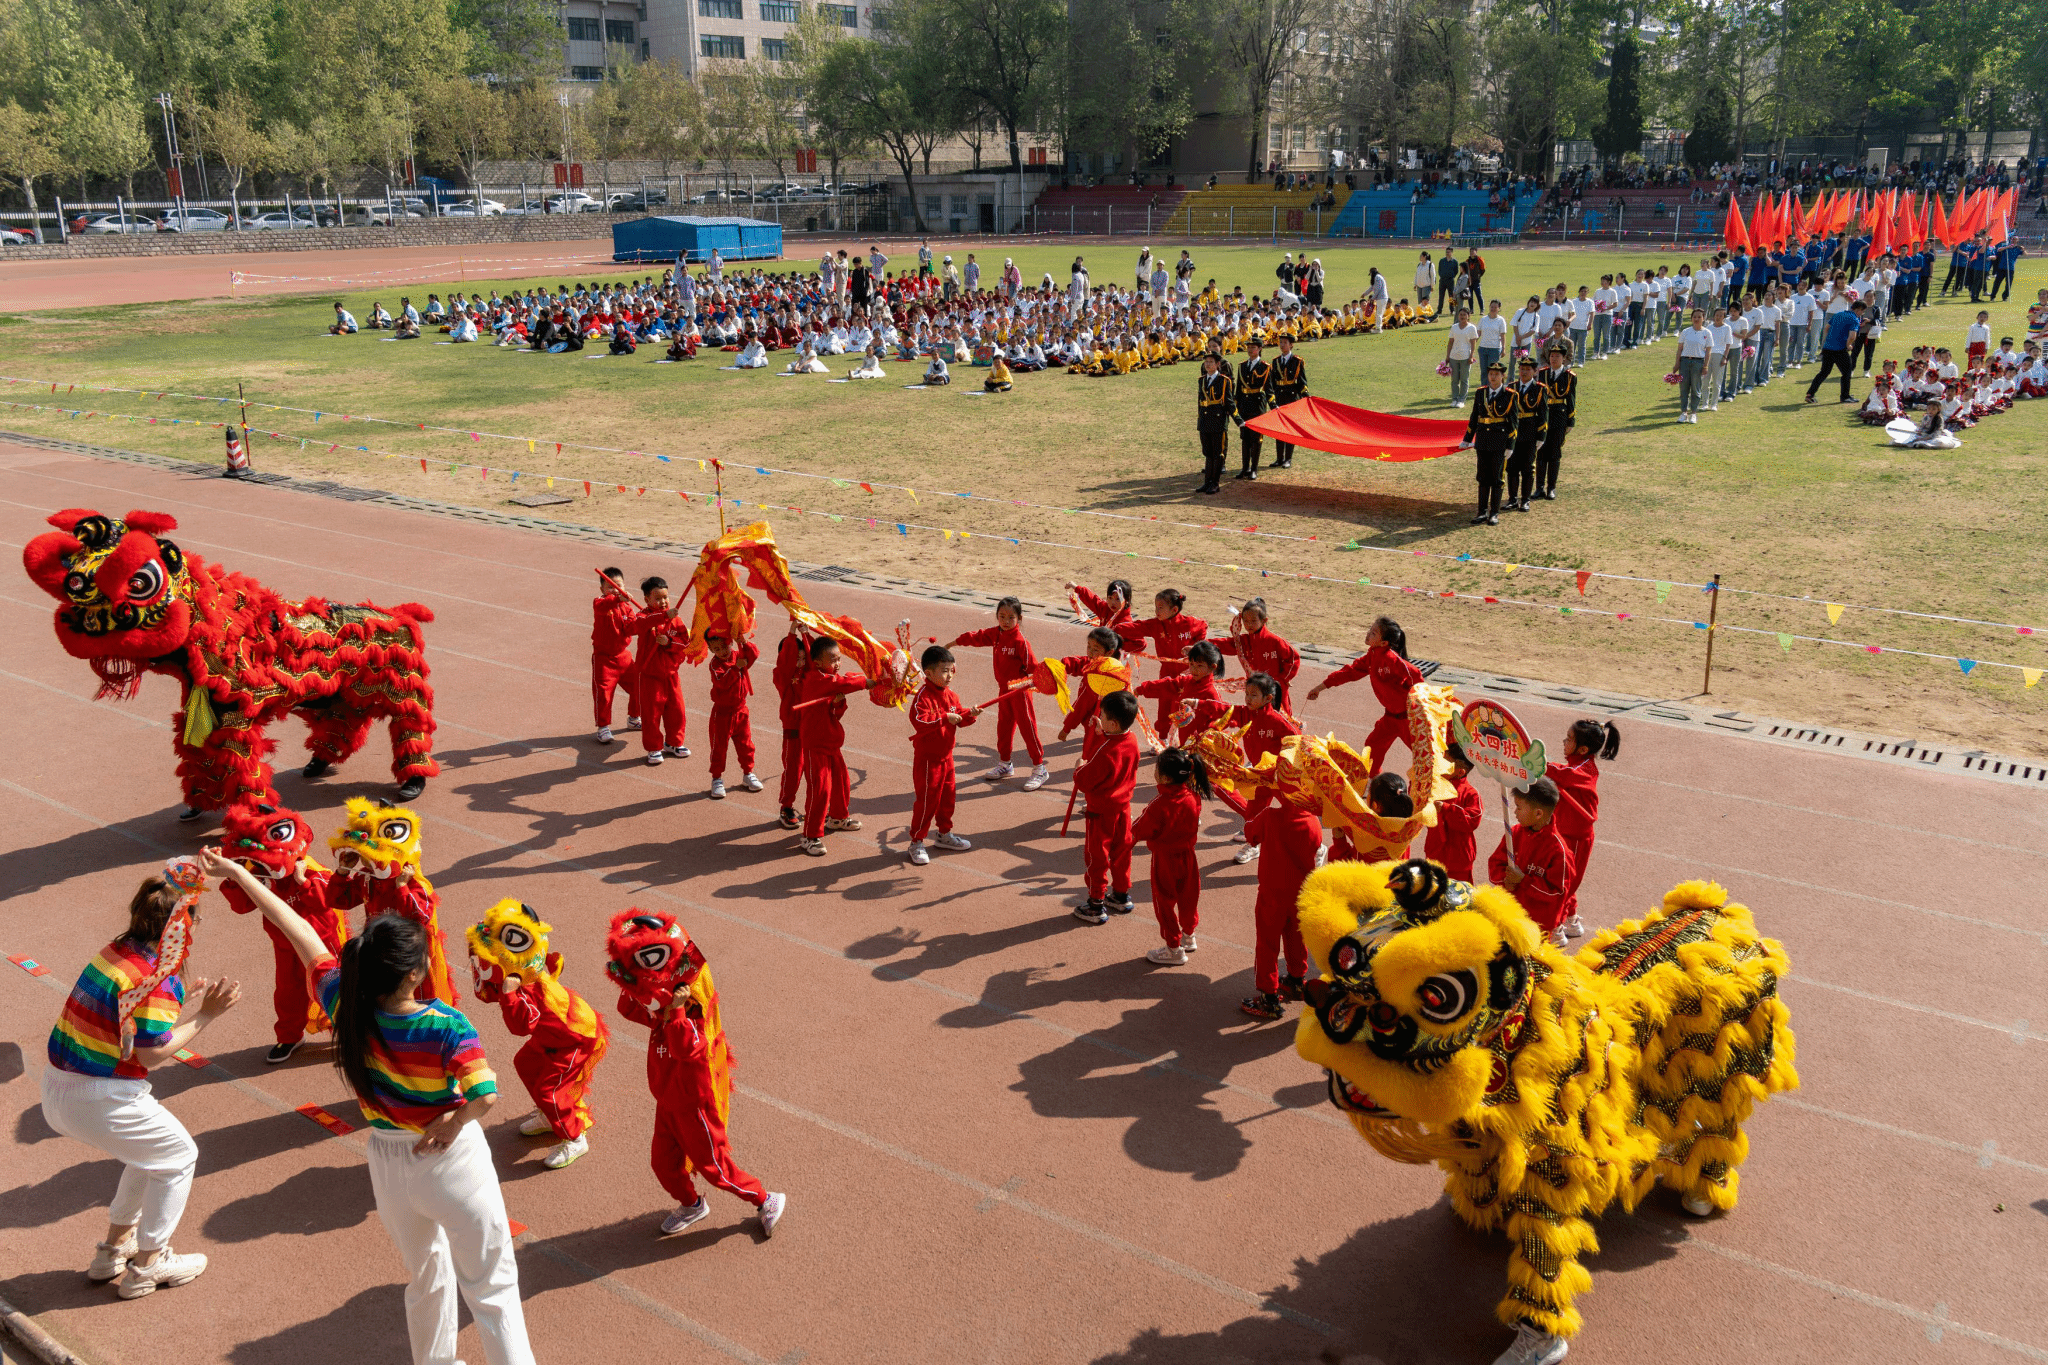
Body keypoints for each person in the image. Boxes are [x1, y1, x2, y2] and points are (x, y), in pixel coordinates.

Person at [205, 851, 536, 1365]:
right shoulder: (446, 1024)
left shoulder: (345, 1002)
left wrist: (241, 874)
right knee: (492, 1284)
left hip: (387, 1160)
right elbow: (485, 1095)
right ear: (414, 974)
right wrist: (453, 1120)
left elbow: (300, 934)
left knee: (425, 1275)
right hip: (451, 1161)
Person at [43, 860, 233, 1300]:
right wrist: (206, 1016)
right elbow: (153, 1054)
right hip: (100, 1095)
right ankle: (149, 1264)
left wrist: (181, 1007)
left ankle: (112, 1251)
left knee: (152, 1154)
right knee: (181, 1156)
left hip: (61, 1086)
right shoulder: (157, 979)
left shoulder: (116, 952)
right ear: (183, 926)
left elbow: (133, 1026)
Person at [604, 909, 786, 1240]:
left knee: (715, 1168)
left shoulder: (692, 1011)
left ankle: (765, 1198)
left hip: (695, 1103)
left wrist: (674, 1011)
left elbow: (688, 1049)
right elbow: (628, 1009)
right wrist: (634, 982)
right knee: (663, 1165)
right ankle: (692, 1204)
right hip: (668, 1099)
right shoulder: (663, 1008)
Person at [467, 900, 609, 1171]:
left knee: (550, 1091)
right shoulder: (523, 975)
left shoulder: (527, 985)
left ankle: (575, 1137)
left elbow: (521, 1025)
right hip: (552, 1038)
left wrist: (509, 993)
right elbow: (488, 995)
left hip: (576, 1040)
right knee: (525, 1062)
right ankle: (550, 1116)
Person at [218, 806, 347, 1063]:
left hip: (322, 946)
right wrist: (235, 879)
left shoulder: (312, 870)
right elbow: (242, 906)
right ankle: (289, 1036)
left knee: (335, 989)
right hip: (285, 946)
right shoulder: (261, 875)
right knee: (288, 993)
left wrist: (304, 883)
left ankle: (349, 1034)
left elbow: (330, 900)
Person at [949, 597, 1051, 791]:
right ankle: (1005, 764)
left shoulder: (1021, 642)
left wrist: (1046, 678)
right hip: (1004, 692)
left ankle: (1039, 768)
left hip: (1020, 692)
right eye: (1002, 616)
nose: (1005, 621)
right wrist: (954, 643)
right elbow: (977, 636)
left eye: (1011, 617)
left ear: (1019, 619)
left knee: (1027, 729)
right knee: (1003, 729)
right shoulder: (995, 634)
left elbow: (1034, 669)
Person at [1238, 791, 1321, 1022]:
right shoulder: (1313, 820)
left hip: (1272, 894)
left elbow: (1250, 834)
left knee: (1267, 944)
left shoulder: (1270, 817)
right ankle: (1296, 979)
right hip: (1300, 893)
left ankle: (1268, 996)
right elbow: (1316, 846)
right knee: (1297, 939)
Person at [1308, 615, 1422, 777]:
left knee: (1423, 755)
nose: (1368, 634)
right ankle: (1372, 782)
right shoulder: (1372, 656)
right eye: (1370, 629)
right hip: (1390, 718)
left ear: (1384, 643)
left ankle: (1443, 787)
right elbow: (1349, 672)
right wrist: (1321, 687)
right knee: (1372, 747)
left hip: (1408, 719)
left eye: (1374, 633)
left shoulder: (1392, 659)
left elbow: (1415, 674)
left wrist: (1420, 703)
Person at [1130, 747, 1210, 965]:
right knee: (1188, 897)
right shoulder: (1193, 797)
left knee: (1164, 903)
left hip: (1164, 860)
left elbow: (1136, 831)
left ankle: (1173, 948)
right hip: (1188, 857)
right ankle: (1188, 935)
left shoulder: (1158, 805)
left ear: (1165, 777)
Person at [1070, 689, 1142, 925]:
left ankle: (1095, 904)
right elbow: (1114, 751)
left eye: (1102, 714)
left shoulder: (1105, 752)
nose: (1098, 716)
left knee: (1096, 857)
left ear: (1112, 722)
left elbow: (1085, 780)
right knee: (1122, 853)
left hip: (1100, 812)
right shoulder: (1131, 741)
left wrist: (1079, 767)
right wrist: (1103, 734)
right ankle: (1121, 894)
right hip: (1123, 809)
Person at [906, 645, 978, 866]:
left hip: (947, 758)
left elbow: (959, 718)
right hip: (929, 760)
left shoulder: (952, 695)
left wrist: (970, 715)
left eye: (951, 670)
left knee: (948, 798)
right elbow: (920, 721)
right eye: (944, 670)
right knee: (927, 801)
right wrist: (945, 718)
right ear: (928, 673)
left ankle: (944, 835)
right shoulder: (922, 697)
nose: (950, 675)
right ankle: (917, 841)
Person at [797, 635, 868, 856]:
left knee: (841, 783)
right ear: (817, 662)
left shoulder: (829, 679)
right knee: (820, 790)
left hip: (832, 742)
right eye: (833, 660)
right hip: (815, 745)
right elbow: (846, 682)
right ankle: (810, 835)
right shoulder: (816, 679)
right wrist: (869, 682)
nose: (837, 664)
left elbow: (837, 713)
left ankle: (837, 817)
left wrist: (838, 704)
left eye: (839, 659)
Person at [1547, 719, 1619, 939]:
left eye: (1569, 738)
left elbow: (1563, 774)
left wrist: (1536, 763)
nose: (1564, 741)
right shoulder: (1575, 765)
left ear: (1583, 748)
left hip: (1577, 839)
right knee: (1562, 876)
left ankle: (1555, 930)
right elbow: (1560, 770)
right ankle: (1571, 920)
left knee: (1564, 882)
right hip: (1565, 832)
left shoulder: (1585, 769)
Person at [1488, 777, 1575, 948]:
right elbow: (1495, 862)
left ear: (1538, 813)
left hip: (1537, 927)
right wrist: (1505, 880)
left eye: (1519, 807)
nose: (1514, 812)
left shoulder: (1559, 851)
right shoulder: (1514, 833)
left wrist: (1523, 881)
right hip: (1509, 914)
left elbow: (1557, 893)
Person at [1118, 588, 1209, 734]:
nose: (1156, 611)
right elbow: (1136, 627)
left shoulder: (1189, 623)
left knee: (1185, 705)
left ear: (1174, 609)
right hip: (1167, 672)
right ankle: (1163, 736)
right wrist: (1115, 628)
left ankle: (1189, 737)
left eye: (1160, 607)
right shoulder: (1155, 625)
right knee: (1165, 704)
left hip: (1188, 673)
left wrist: (1197, 646)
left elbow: (1203, 626)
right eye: (1155, 606)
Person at [632, 577, 690, 766]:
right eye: (657, 598)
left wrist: (669, 643)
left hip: (671, 674)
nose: (663, 602)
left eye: (665, 597)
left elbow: (685, 643)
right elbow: (640, 625)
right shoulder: (642, 616)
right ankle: (654, 747)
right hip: (650, 675)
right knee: (651, 713)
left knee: (677, 711)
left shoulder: (676, 619)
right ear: (647, 599)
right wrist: (664, 617)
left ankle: (674, 743)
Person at [1213, 596, 1300, 714]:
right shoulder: (1243, 642)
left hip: (1275, 690)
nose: (1249, 624)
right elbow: (1225, 644)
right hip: (1254, 692)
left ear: (1264, 620)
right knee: (1256, 718)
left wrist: (1282, 679)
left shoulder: (1275, 641)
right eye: (1246, 621)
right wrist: (1199, 645)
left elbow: (1293, 658)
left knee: (1281, 718)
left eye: (1253, 621)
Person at [705, 631, 762, 800]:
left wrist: (743, 642)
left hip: (741, 711)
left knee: (746, 745)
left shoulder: (738, 654)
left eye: (724, 646)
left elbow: (754, 654)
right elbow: (721, 683)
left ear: (730, 642)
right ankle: (716, 778)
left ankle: (748, 773)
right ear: (710, 649)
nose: (722, 651)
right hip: (722, 714)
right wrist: (736, 667)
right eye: (716, 648)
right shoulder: (715, 665)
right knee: (719, 748)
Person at [1459, 361, 1514, 524]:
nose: (1493, 377)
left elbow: (1513, 422)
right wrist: (1467, 439)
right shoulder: (1481, 393)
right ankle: (1481, 512)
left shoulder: (1510, 395)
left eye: (1496, 374)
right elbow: (1474, 417)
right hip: (1482, 441)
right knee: (1483, 477)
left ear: (1502, 376)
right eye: (1491, 374)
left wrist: (1510, 445)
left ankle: (1494, 513)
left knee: (1497, 478)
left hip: (1499, 442)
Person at [591, 568, 641, 744]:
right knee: (604, 693)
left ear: (624, 586)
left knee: (639, 685)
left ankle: (634, 718)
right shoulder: (600, 602)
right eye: (610, 587)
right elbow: (602, 607)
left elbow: (632, 628)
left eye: (618, 586)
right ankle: (603, 727)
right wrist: (617, 598)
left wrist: (647, 622)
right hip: (603, 658)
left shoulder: (627, 607)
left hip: (623, 657)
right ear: (602, 590)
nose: (614, 589)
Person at [1421, 744, 1484, 881]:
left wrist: (1446, 808)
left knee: (1460, 895)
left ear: (1460, 772)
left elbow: (1472, 820)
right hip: (1435, 852)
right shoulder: (1434, 784)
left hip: (1458, 860)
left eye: (1446, 762)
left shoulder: (1471, 794)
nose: (1440, 764)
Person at [771, 620, 808, 830]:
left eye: (803, 658)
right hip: (793, 729)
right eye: (796, 658)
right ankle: (786, 806)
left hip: (812, 729)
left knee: (815, 771)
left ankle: (818, 806)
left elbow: (813, 657)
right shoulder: (782, 676)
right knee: (793, 770)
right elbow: (785, 662)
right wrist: (792, 632)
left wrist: (805, 633)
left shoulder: (809, 674)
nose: (801, 662)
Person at [1505, 356, 1547, 513]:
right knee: (1512, 467)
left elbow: (1543, 414)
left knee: (1528, 468)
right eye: (1522, 369)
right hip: (1513, 434)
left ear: (1535, 372)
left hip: (1530, 433)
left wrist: (1541, 436)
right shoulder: (1511, 387)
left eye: (1528, 369)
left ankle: (1525, 500)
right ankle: (1512, 499)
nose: (1524, 372)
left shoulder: (1540, 389)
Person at [1804, 301, 1866, 404]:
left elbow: (1826, 328)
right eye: (1862, 311)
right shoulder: (1854, 319)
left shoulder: (1838, 314)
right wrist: (1848, 345)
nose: (1862, 313)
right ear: (1858, 309)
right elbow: (1852, 336)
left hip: (1827, 348)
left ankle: (1810, 394)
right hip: (1839, 350)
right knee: (1847, 372)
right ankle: (1845, 396)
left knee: (1824, 372)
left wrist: (1831, 339)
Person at [1536, 344, 1576, 501]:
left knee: (1554, 453)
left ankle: (1551, 487)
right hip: (1544, 417)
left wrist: (1570, 421)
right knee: (1541, 452)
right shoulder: (1543, 374)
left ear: (1564, 359)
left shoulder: (1570, 376)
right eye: (1552, 356)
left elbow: (1571, 399)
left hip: (1560, 416)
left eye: (1557, 356)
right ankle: (1539, 488)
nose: (1554, 359)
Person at [1194, 353, 1232, 495]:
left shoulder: (1223, 381)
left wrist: (1238, 420)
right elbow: (1200, 402)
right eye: (1206, 362)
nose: (1208, 364)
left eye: (1211, 362)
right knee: (1208, 453)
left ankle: (1215, 483)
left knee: (1217, 453)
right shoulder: (1202, 380)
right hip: (1205, 420)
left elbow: (1229, 402)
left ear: (1218, 365)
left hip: (1218, 420)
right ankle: (1207, 481)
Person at [1267, 334, 1307, 468]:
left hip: (1292, 398)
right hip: (1279, 397)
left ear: (1291, 345)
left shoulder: (1298, 361)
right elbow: (1272, 383)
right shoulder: (1275, 361)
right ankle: (1279, 458)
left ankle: (1288, 459)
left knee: (1290, 430)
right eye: (1281, 342)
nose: (1282, 345)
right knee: (1279, 429)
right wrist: (1272, 399)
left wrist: (1306, 396)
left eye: (1285, 342)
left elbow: (1302, 382)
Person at [1233, 339, 1270, 479]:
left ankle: (1254, 468)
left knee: (1256, 439)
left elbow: (1269, 389)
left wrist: (1273, 406)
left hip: (1257, 405)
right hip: (1244, 405)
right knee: (1245, 438)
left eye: (1253, 347)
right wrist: (1236, 407)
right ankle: (1245, 468)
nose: (1250, 350)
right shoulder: (1242, 366)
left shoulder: (1265, 367)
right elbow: (1238, 390)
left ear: (1259, 349)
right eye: (1248, 347)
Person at [1674, 307, 1711, 423]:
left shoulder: (1707, 333)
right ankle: (1683, 412)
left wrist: (1705, 366)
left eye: (1699, 317)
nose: (1696, 319)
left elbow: (1708, 351)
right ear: (1691, 318)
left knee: (1696, 388)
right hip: (1685, 362)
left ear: (1703, 318)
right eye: (1694, 317)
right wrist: (1677, 363)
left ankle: (1693, 413)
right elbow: (1679, 349)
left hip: (1698, 362)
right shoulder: (1685, 331)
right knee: (1684, 388)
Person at [1445, 306, 1478, 407]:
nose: (1462, 316)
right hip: (1454, 357)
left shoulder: (1472, 328)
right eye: (1460, 315)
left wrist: (1471, 356)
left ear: (1468, 316)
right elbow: (1450, 342)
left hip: (1465, 357)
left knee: (1464, 379)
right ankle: (1454, 399)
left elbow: (1473, 343)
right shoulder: (1454, 327)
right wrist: (1448, 356)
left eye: (1464, 314)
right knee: (1454, 380)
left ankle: (1461, 400)